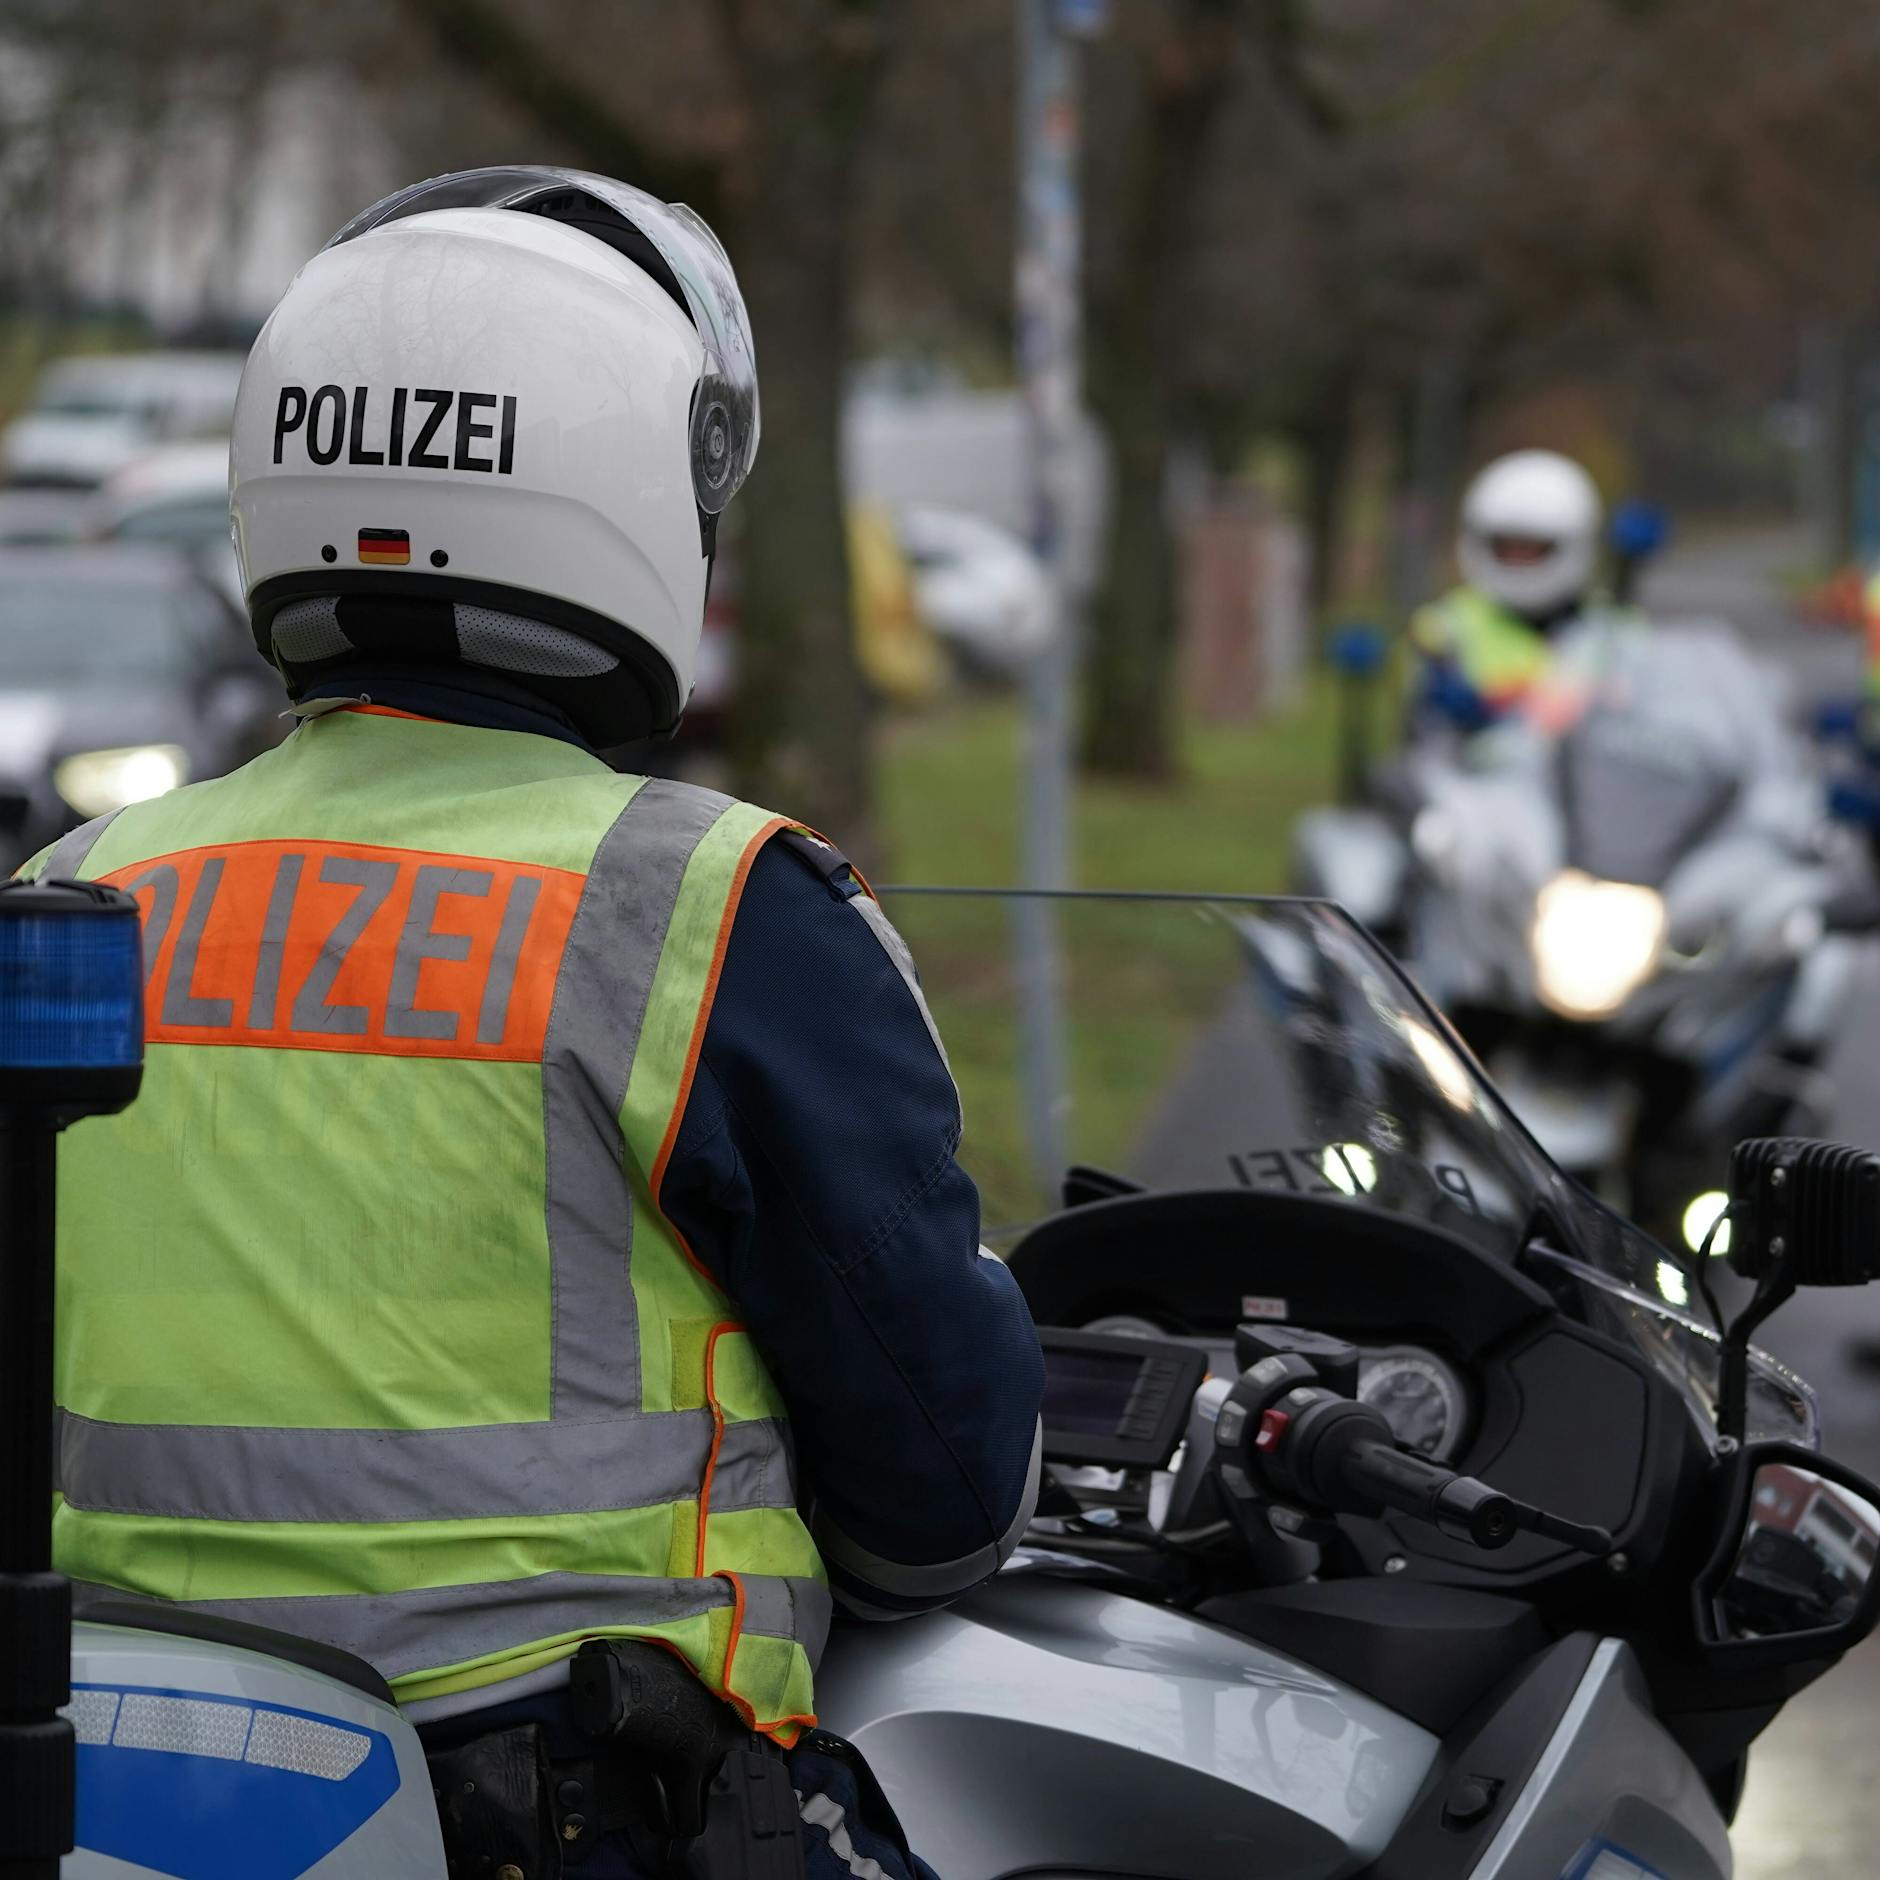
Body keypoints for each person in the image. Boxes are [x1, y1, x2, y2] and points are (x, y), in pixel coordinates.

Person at [26, 168, 1043, 1878]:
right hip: (560, 1808)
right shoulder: (706, 910)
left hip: (112, 1796)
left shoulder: (76, 897)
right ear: (645, 490)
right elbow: (939, 1495)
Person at [1408, 448, 1612, 738]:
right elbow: (1434, 718)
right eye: (1508, 548)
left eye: (1533, 549)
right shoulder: (1445, 628)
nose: (1519, 561)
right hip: (1483, 776)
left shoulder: (1613, 630)